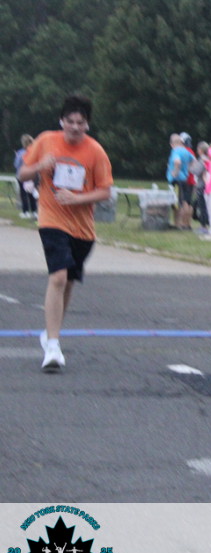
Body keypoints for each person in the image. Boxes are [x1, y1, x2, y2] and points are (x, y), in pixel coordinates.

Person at [16, 94, 113, 372]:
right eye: (70, 122)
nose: (74, 127)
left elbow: (105, 191)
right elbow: (23, 174)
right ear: (61, 121)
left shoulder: (95, 152)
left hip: (82, 228)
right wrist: (39, 166)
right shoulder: (46, 140)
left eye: (80, 123)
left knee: (68, 282)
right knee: (58, 277)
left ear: (87, 125)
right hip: (51, 218)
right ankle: (53, 347)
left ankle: (51, 332)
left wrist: (77, 198)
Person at [165, 133, 193, 230]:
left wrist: (175, 172)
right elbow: (193, 161)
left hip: (176, 180)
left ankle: (178, 224)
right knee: (184, 202)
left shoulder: (175, 151)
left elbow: (177, 162)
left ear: (172, 143)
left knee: (176, 203)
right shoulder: (186, 151)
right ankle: (185, 224)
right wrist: (187, 170)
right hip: (184, 179)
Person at [13, 134, 37, 219]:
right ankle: (34, 211)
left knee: (23, 194)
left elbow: (16, 164)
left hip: (22, 175)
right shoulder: (34, 151)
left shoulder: (21, 152)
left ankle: (25, 212)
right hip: (32, 175)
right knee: (31, 194)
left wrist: (16, 156)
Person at [190, 141, 209, 232]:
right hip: (205, 185)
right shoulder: (207, 159)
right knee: (203, 206)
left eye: (198, 149)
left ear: (201, 150)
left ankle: (203, 226)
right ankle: (204, 225)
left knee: (202, 207)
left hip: (202, 186)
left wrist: (190, 166)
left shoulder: (202, 160)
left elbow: (196, 171)